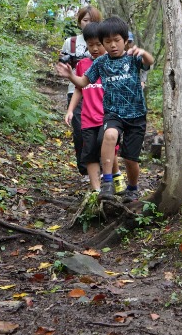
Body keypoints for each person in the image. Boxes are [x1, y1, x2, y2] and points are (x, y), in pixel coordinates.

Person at [57, 17, 154, 203]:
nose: (113, 45)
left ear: (125, 40)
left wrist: (143, 53)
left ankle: (132, 188)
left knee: (130, 159)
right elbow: (83, 83)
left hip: (136, 115)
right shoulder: (101, 62)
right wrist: (70, 75)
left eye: (117, 40)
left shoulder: (132, 58)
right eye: (107, 42)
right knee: (109, 136)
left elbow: (149, 62)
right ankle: (107, 182)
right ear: (103, 43)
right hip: (112, 113)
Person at [64, 23, 108, 192]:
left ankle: (111, 181)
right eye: (90, 45)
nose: (94, 48)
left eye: (98, 44)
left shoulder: (112, 63)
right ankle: (96, 190)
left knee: (106, 147)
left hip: (107, 116)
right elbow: (79, 89)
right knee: (89, 152)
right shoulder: (83, 64)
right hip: (88, 117)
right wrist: (70, 110)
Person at [60, 6, 103, 177]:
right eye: (85, 20)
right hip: (76, 90)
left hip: (99, 93)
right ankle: (85, 169)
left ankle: (101, 169)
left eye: (92, 21)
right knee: (80, 132)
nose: (88, 23)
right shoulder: (70, 42)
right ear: (79, 22)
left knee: (100, 132)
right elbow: (62, 62)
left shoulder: (104, 40)